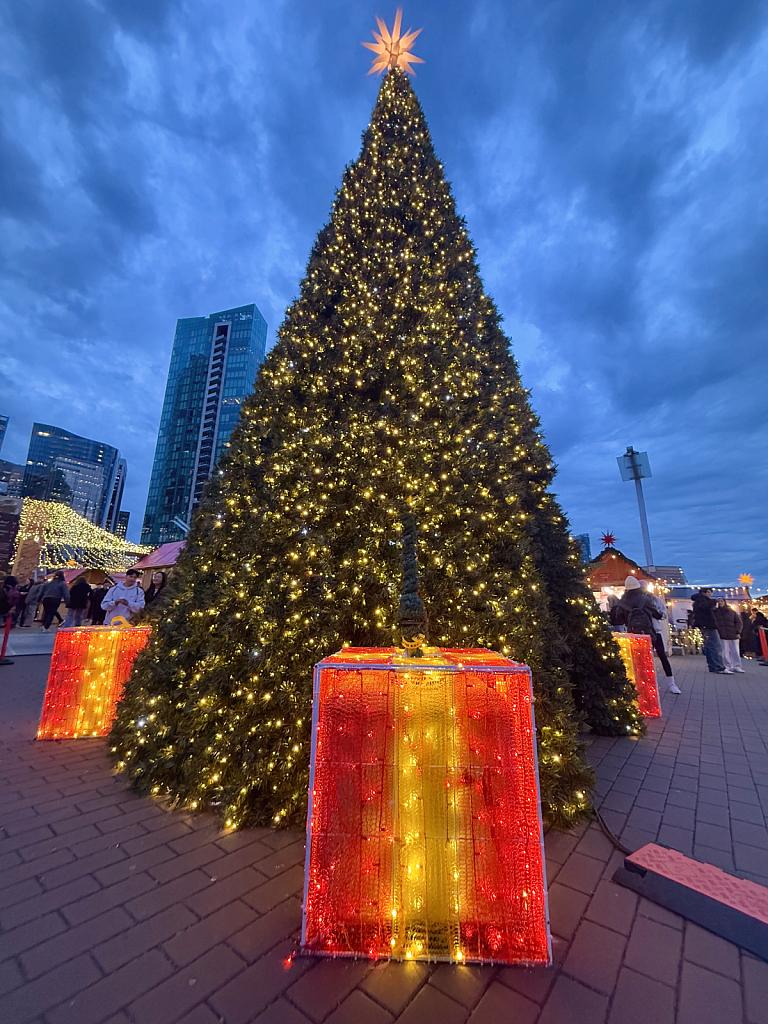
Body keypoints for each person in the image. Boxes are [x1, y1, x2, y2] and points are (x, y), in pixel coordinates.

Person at [620, 576, 681, 693]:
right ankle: (671, 684)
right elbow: (661, 615)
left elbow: (619, 618)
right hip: (654, 632)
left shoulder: (625, 600)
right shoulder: (651, 600)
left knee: (641, 660)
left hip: (635, 634)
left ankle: (644, 685)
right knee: (662, 656)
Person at [692, 588, 729, 674]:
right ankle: (719, 667)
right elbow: (703, 607)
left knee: (710, 646)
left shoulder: (698, 600)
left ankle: (713, 666)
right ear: (704, 593)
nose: (710, 595)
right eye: (709, 592)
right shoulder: (702, 600)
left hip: (705, 625)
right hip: (708, 625)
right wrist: (712, 602)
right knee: (715, 646)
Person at [714, 599, 744, 674]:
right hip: (722, 635)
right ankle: (727, 666)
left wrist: (737, 630)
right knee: (725, 652)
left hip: (733, 634)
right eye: (719, 602)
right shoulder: (715, 613)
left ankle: (737, 666)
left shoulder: (731, 612)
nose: (720, 603)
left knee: (735, 651)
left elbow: (738, 621)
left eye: (721, 601)